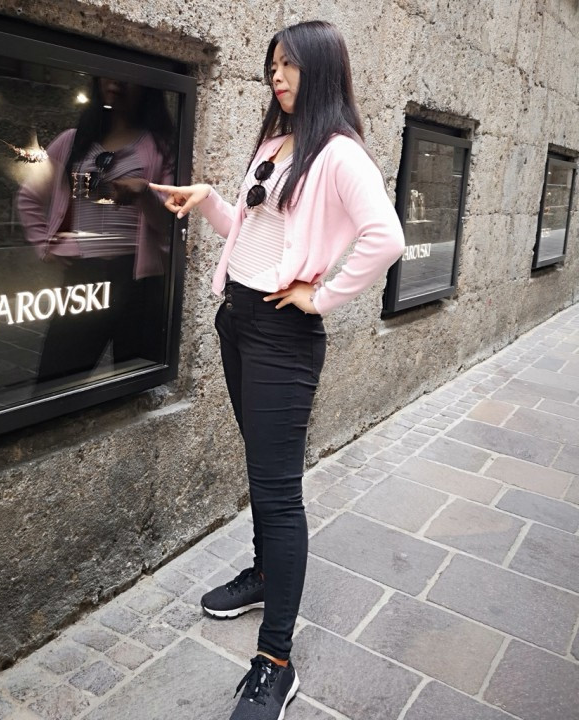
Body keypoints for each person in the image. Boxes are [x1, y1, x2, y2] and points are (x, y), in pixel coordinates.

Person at [151, 20, 405, 720]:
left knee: (279, 491)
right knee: (261, 470)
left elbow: (387, 237)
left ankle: (276, 662)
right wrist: (210, 201)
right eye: (272, 66)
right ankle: (265, 575)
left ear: (320, 69)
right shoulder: (275, 144)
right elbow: (254, 231)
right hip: (238, 321)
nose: (277, 77)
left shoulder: (340, 153)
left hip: (283, 339)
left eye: (289, 65)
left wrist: (322, 296)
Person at [16, 77, 175, 383]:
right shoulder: (72, 141)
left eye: (128, 77)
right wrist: (45, 244)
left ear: (147, 87)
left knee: (135, 384)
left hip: (137, 280)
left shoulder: (160, 147)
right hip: (83, 276)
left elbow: (170, 223)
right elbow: (29, 196)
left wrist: (144, 193)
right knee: (57, 380)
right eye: (108, 74)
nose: (116, 82)